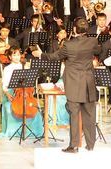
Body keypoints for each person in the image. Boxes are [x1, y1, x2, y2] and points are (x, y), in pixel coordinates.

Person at [31, 17, 99, 151]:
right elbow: (98, 51)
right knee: (90, 114)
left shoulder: (69, 45)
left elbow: (54, 56)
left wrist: (40, 54)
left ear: (74, 29)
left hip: (74, 82)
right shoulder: (93, 41)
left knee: (74, 114)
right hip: (88, 82)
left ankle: (74, 145)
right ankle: (90, 145)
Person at [1, 46, 43, 139]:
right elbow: (4, 85)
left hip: (25, 92)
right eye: (14, 55)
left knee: (35, 107)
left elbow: (31, 83)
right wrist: (8, 94)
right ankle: (14, 130)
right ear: (10, 57)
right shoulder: (7, 69)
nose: (17, 57)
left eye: (18, 55)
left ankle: (35, 130)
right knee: (10, 108)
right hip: (12, 92)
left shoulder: (25, 66)